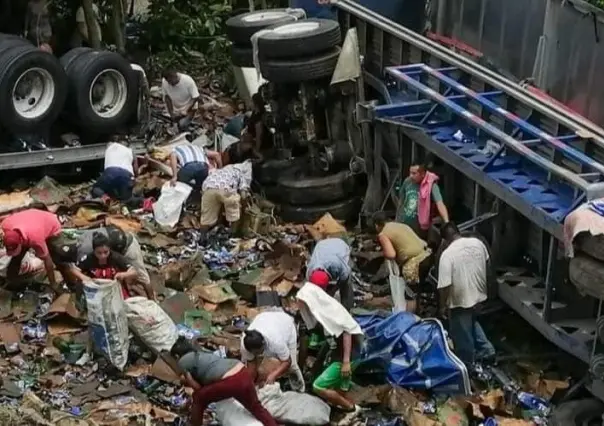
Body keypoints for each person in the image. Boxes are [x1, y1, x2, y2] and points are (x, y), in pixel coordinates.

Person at [170, 337, 278, 426]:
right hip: (242, 372)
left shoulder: (182, 361)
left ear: (176, 356)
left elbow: (197, 388)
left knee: (198, 397)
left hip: (231, 380)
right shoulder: (200, 354)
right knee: (256, 407)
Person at [296, 283, 363, 425]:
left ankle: (352, 409)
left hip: (348, 354)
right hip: (339, 351)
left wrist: (345, 362)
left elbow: (347, 331)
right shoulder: (321, 312)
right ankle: (344, 410)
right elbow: (326, 340)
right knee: (338, 390)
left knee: (318, 386)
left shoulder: (330, 311)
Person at [437, 222, 495, 366]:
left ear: (444, 240)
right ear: (458, 232)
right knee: (471, 322)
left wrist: (442, 306)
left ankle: (467, 363)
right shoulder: (478, 243)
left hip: (460, 298)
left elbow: (444, 286)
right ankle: (487, 350)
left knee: (462, 333)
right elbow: (488, 266)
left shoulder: (447, 255)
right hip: (479, 294)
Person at [75, 225, 151, 297]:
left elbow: (134, 272)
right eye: (99, 253)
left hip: (127, 244)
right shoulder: (87, 256)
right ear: (93, 251)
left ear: (110, 249)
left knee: (142, 277)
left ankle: (153, 300)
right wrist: (83, 277)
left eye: (105, 252)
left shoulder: (115, 257)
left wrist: (123, 274)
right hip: (103, 290)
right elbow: (75, 270)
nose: (102, 256)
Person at [241, 310, 305, 392]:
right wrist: (250, 385)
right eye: (254, 353)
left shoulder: (276, 340)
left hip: (286, 325)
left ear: (263, 344)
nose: (257, 354)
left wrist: (273, 375)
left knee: (292, 366)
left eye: (259, 352)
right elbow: (251, 367)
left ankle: (300, 389)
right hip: (265, 319)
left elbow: (287, 361)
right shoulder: (245, 344)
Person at [373, 212, 432, 286]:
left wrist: (383, 253)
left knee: (407, 282)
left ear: (376, 225)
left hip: (415, 263)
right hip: (427, 253)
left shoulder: (383, 234)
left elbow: (391, 255)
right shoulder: (401, 225)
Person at [397, 162, 449, 239]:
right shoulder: (407, 181)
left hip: (420, 230)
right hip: (404, 225)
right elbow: (401, 201)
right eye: (410, 173)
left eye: (414, 173)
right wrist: (397, 219)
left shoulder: (431, 186)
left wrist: (447, 222)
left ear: (423, 174)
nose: (411, 176)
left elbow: (440, 204)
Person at [200, 161, 252, 230]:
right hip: (225, 189)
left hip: (208, 188)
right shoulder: (239, 173)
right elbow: (243, 194)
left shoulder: (219, 171)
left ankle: (202, 238)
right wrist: (244, 203)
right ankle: (232, 235)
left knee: (206, 218)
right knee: (234, 211)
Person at [306, 237, 354, 311]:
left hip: (339, 245)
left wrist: (334, 290)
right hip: (322, 245)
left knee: (346, 286)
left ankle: (348, 310)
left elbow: (345, 276)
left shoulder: (336, 265)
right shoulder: (309, 272)